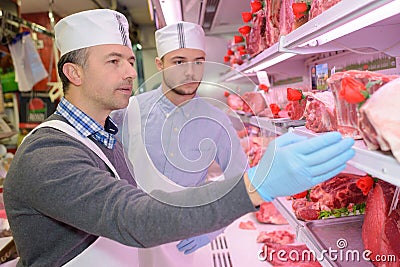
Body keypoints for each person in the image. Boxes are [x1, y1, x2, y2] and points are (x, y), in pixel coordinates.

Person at [3, 9, 355, 267]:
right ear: (73, 73)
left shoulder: (102, 136)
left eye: (129, 60)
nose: (129, 72)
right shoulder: (49, 155)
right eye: (113, 61)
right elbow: (133, 217)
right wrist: (255, 186)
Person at [112, 21, 249, 257]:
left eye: (198, 62)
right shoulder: (128, 112)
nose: (190, 72)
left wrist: (211, 230)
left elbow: (241, 184)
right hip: (126, 240)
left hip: (182, 243)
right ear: (159, 64)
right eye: (178, 62)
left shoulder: (217, 121)